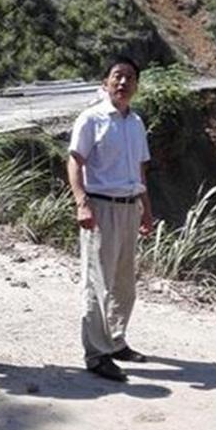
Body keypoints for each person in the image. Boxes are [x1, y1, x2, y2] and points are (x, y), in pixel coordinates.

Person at [67, 55, 154, 382]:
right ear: (105, 82)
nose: (123, 82)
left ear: (137, 85)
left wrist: (146, 208)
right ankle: (96, 354)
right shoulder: (91, 118)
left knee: (123, 282)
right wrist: (82, 203)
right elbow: (75, 161)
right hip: (101, 207)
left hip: (130, 207)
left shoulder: (136, 123)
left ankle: (116, 340)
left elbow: (140, 170)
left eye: (130, 77)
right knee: (97, 282)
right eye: (117, 76)